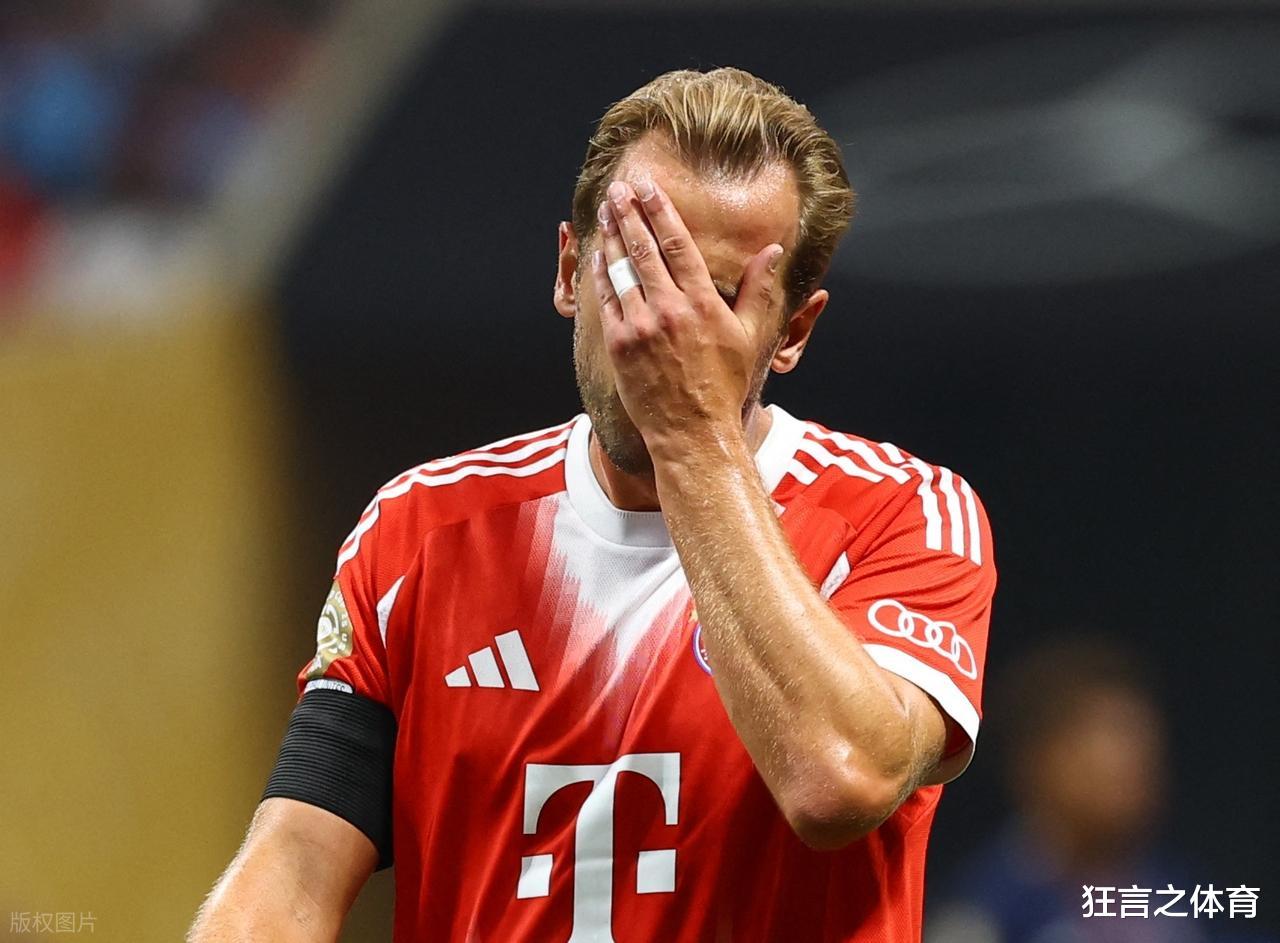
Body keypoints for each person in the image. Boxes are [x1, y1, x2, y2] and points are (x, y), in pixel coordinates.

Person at [188, 66, 997, 942]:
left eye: (715, 297)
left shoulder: (903, 513)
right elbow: (291, 873)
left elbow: (838, 781)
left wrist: (692, 438)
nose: (661, 329)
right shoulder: (422, 529)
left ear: (791, 330)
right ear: (571, 270)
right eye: (636, 272)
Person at [925, 638, 1211, 943]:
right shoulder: (983, 912)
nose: (1131, 766)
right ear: (1036, 761)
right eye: (1106, 744)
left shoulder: (1180, 892)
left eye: (1144, 751)